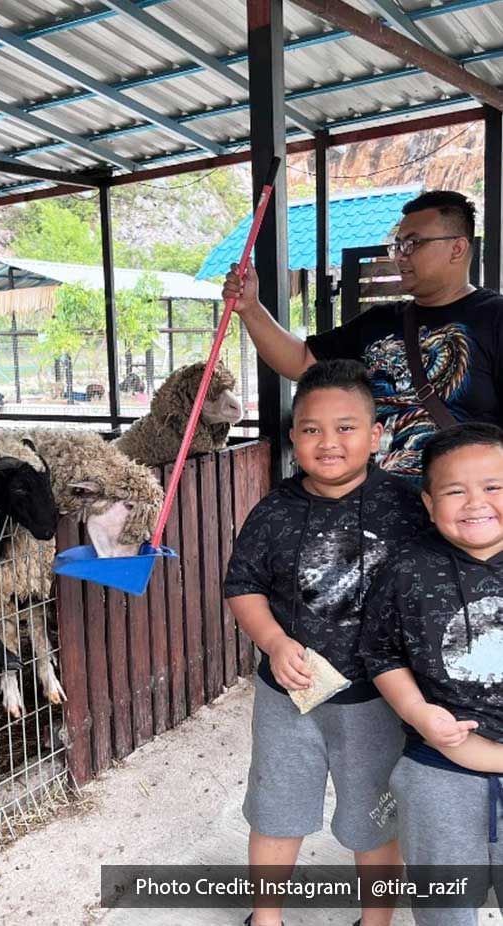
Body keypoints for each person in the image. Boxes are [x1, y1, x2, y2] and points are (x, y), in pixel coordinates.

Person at [224, 359, 427, 926]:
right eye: (312, 429)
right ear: (293, 437)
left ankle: (377, 920)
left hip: (378, 700)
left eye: (346, 427)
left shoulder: (408, 509)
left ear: (376, 434)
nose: (328, 442)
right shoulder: (273, 511)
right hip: (290, 695)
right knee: (275, 808)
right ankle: (266, 918)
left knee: (374, 816)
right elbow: (243, 585)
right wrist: (272, 640)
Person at [223, 190, 503, 480]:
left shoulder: (494, 317)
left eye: (413, 243)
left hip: (464, 511)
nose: (401, 256)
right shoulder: (380, 321)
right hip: (379, 508)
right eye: (398, 245)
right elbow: (300, 360)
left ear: (457, 248)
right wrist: (250, 308)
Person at [360, 422, 503, 926]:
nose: (475, 503)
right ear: (427, 503)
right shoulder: (407, 568)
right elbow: (381, 653)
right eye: (454, 490)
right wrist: (417, 711)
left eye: (492, 487)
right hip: (439, 764)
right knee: (444, 903)